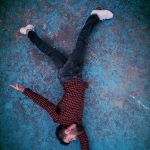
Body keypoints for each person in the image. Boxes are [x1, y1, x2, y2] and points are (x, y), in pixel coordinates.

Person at [10, 8, 113, 150]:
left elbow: (43, 103)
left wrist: (23, 89)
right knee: (49, 51)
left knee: (81, 43)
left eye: (72, 139)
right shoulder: (77, 123)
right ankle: (29, 32)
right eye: (74, 139)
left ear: (66, 131)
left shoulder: (58, 118)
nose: (75, 138)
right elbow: (84, 143)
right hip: (67, 76)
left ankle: (95, 16)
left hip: (70, 74)